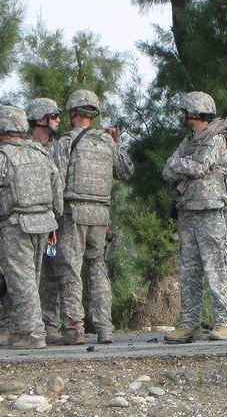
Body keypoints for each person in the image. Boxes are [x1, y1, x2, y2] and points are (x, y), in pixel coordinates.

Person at [53, 89, 134, 345]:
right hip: (101, 215)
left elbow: (56, 181)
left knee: (70, 270)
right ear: (94, 113)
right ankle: (105, 328)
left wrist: (53, 217)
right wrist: (117, 142)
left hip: (73, 213)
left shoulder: (66, 142)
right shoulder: (108, 142)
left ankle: (75, 329)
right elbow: (126, 172)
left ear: (73, 111)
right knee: (99, 269)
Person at [163, 91, 227, 344]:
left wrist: (182, 166)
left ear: (194, 113)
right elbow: (168, 169)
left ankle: (224, 322)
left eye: (186, 111)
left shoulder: (217, 139)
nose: (183, 116)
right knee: (189, 271)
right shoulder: (189, 142)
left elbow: (198, 167)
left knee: (216, 267)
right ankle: (189, 324)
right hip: (187, 210)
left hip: (210, 211)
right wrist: (183, 166)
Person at [0, 105, 62, 349]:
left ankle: (33, 334)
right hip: (43, 222)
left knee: (20, 279)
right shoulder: (40, 153)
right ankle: (18, 331)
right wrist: (53, 222)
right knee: (30, 278)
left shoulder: (4, 156)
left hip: (15, 224)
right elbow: (56, 190)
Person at [26, 98, 63, 344]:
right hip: (21, 222)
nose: (59, 120)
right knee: (21, 276)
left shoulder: (59, 148)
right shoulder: (22, 148)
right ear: (40, 119)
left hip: (50, 221)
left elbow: (58, 187)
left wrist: (55, 222)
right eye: (54, 115)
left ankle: (49, 326)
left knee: (52, 274)